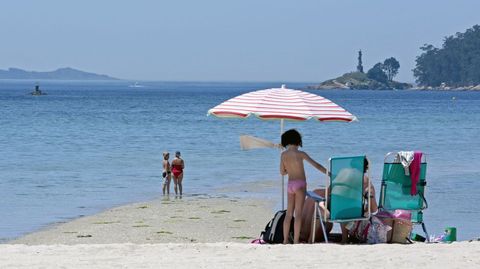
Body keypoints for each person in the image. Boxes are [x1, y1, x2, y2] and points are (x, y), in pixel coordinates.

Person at [280, 129, 327, 244]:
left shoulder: (283, 155)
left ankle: (285, 240)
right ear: (298, 141)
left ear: (285, 141)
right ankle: (296, 240)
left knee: (289, 213)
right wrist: (328, 173)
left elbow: (282, 172)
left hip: (290, 184)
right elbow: (316, 165)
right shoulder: (301, 154)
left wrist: (289, 169)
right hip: (300, 184)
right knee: (299, 213)